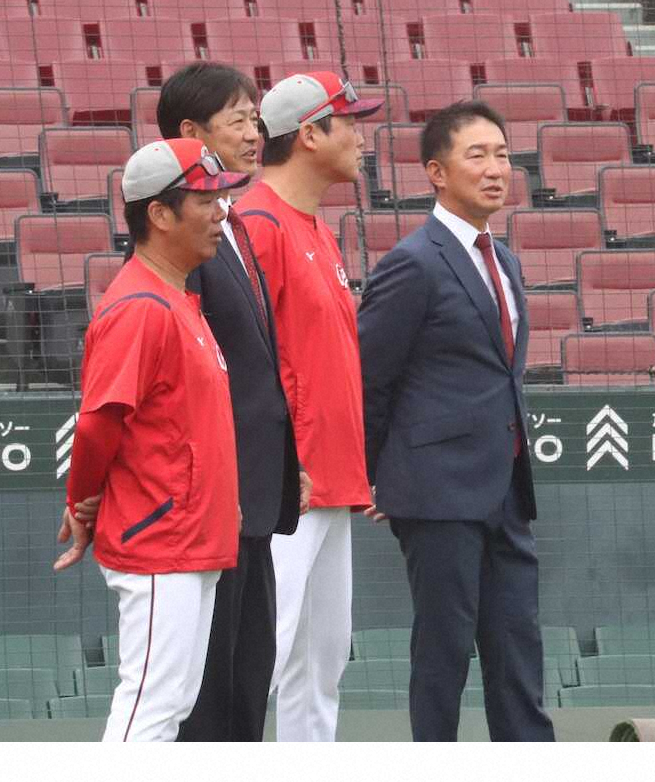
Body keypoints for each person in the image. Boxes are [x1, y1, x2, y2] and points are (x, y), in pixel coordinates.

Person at [358, 101, 556, 742]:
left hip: (507, 487)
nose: (496, 168)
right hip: (436, 492)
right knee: (443, 652)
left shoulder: (507, 261)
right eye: (478, 155)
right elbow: (370, 377)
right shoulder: (412, 263)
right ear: (436, 172)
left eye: (502, 154)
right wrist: (374, 474)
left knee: (518, 646)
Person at [54, 137, 248, 742]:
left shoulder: (175, 297)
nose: (221, 212)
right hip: (161, 540)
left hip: (190, 537)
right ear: (160, 214)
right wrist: (80, 501)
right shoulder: (139, 306)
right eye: (206, 200)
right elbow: (97, 423)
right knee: (149, 712)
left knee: (170, 706)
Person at [156, 62, 310, 743]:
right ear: (191, 133)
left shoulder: (233, 226)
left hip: (253, 496)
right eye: (239, 120)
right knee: (208, 689)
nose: (256, 132)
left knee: (248, 676)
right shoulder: (182, 244)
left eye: (256, 118)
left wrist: (283, 462)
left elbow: (255, 373)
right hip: (211, 503)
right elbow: (191, 377)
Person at [235, 71, 383, 742]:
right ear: (309, 134)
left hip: (330, 479)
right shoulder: (255, 225)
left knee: (319, 669)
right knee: (257, 661)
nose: (361, 137)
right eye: (349, 122)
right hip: (284, 484)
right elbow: (241, 367)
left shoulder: (317, 228)